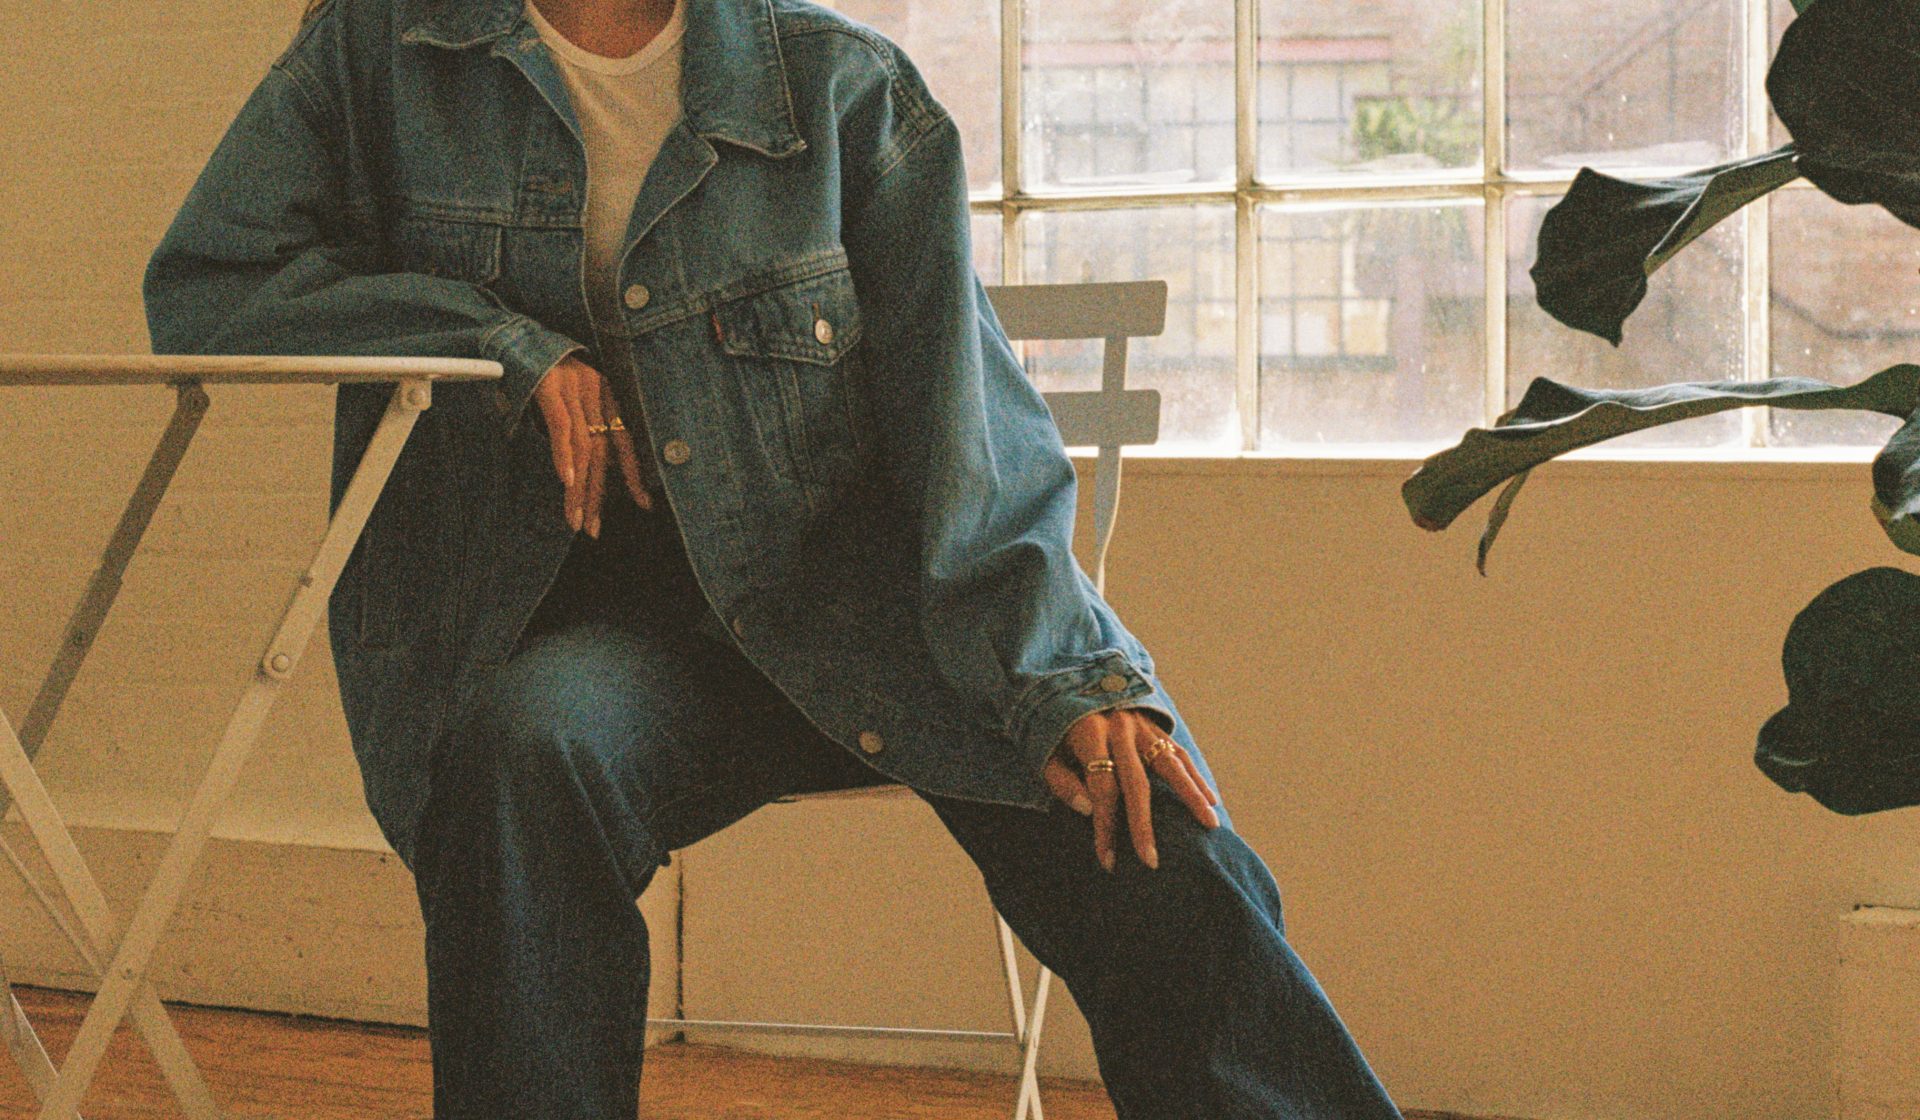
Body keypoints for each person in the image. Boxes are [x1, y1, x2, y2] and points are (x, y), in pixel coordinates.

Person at [141, 0, 1406, 1115]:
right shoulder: (383, 51)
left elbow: (964, 423)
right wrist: (496, 343)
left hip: (872, 617)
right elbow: (209, 280)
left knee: (1142, 809)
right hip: (620, 645)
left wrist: (1068, 676)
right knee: (519, 755)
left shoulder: (838, 84)